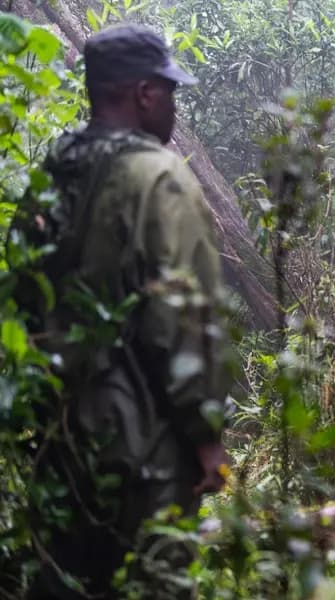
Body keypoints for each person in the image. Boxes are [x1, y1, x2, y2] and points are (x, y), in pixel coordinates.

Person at [14, 23, 231, 599]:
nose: (173, 107)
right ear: (143, 93)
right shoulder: (159, 178)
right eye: (170, 92)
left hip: (57, 439)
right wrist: (206, 437)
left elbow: (21, 297)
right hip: (145, 448)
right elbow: (185, 320)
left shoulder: (53, 171)